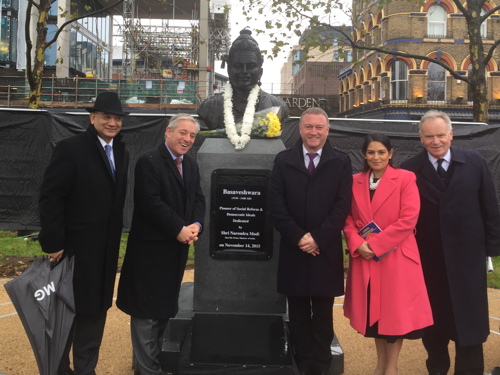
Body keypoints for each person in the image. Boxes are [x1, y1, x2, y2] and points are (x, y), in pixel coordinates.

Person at [401, 110, 500, 375]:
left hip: (468, 258)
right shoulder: (409, 170)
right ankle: (437, 369)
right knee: (433, 323)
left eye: (441, 135)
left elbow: (489, 206)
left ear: (451, 135)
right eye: (430, 136)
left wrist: (492, 249)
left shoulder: (475, 162)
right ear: (420, 138)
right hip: (428, 260)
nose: (436, 141)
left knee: (469, 323)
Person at [38, 91, 129, 375]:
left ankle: (85, 370)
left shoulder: (122, 153)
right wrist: (54, 243)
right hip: (73, 252)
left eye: (117, 118)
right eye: (106, 117)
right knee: (65, 316)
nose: (112, 123)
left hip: (103, 254)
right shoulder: (71, 149)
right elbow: (51, 197)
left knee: (94, 315)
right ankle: (59, 370)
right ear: (92, 118)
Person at [116, 113, 206, 375]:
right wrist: (179, 229)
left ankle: (152, 366)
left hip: (175, 253)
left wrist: (196, 226)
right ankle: (147, 370)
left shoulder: (190, 165)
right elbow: (151, 203)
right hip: (150, 253)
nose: (187, 139)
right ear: (168, 132)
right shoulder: (149, 161)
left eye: (192, 135)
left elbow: (198, 199)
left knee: (164, 311)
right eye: (183, 133)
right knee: (146, 315)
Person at [270, 107, 352, 375]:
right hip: (294, 250)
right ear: (301, 129)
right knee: (298, 313)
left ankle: (322, 366)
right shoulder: (283, 160)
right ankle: (302, 364)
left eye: (319, 127)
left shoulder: (340, 161)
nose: (313, 132)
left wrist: (318, 237)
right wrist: (299, 237)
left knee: (323, 313)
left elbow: (342, 206)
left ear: (327, 130)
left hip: (324, 250)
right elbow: (276, 206)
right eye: (308, 127)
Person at [343, 133, 433, 375]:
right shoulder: (355, 181)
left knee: (394, 318)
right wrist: (356, 242)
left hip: (396, 259)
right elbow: (348, 218)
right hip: (365, 258)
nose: (376, 157)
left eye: (381, 152)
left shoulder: (405, 178)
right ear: (364, 154)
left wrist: (376, 245)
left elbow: (408, 219)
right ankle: (380, 367)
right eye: (371, 152)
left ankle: (391, 369)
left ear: (391, 153)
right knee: (375, 317)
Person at [197, 29, 289, 130]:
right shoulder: (209, 107)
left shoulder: (277, 107)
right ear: (228, 69)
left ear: (260, 71)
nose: (244, 71)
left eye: (251, 66)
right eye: (238, 66)